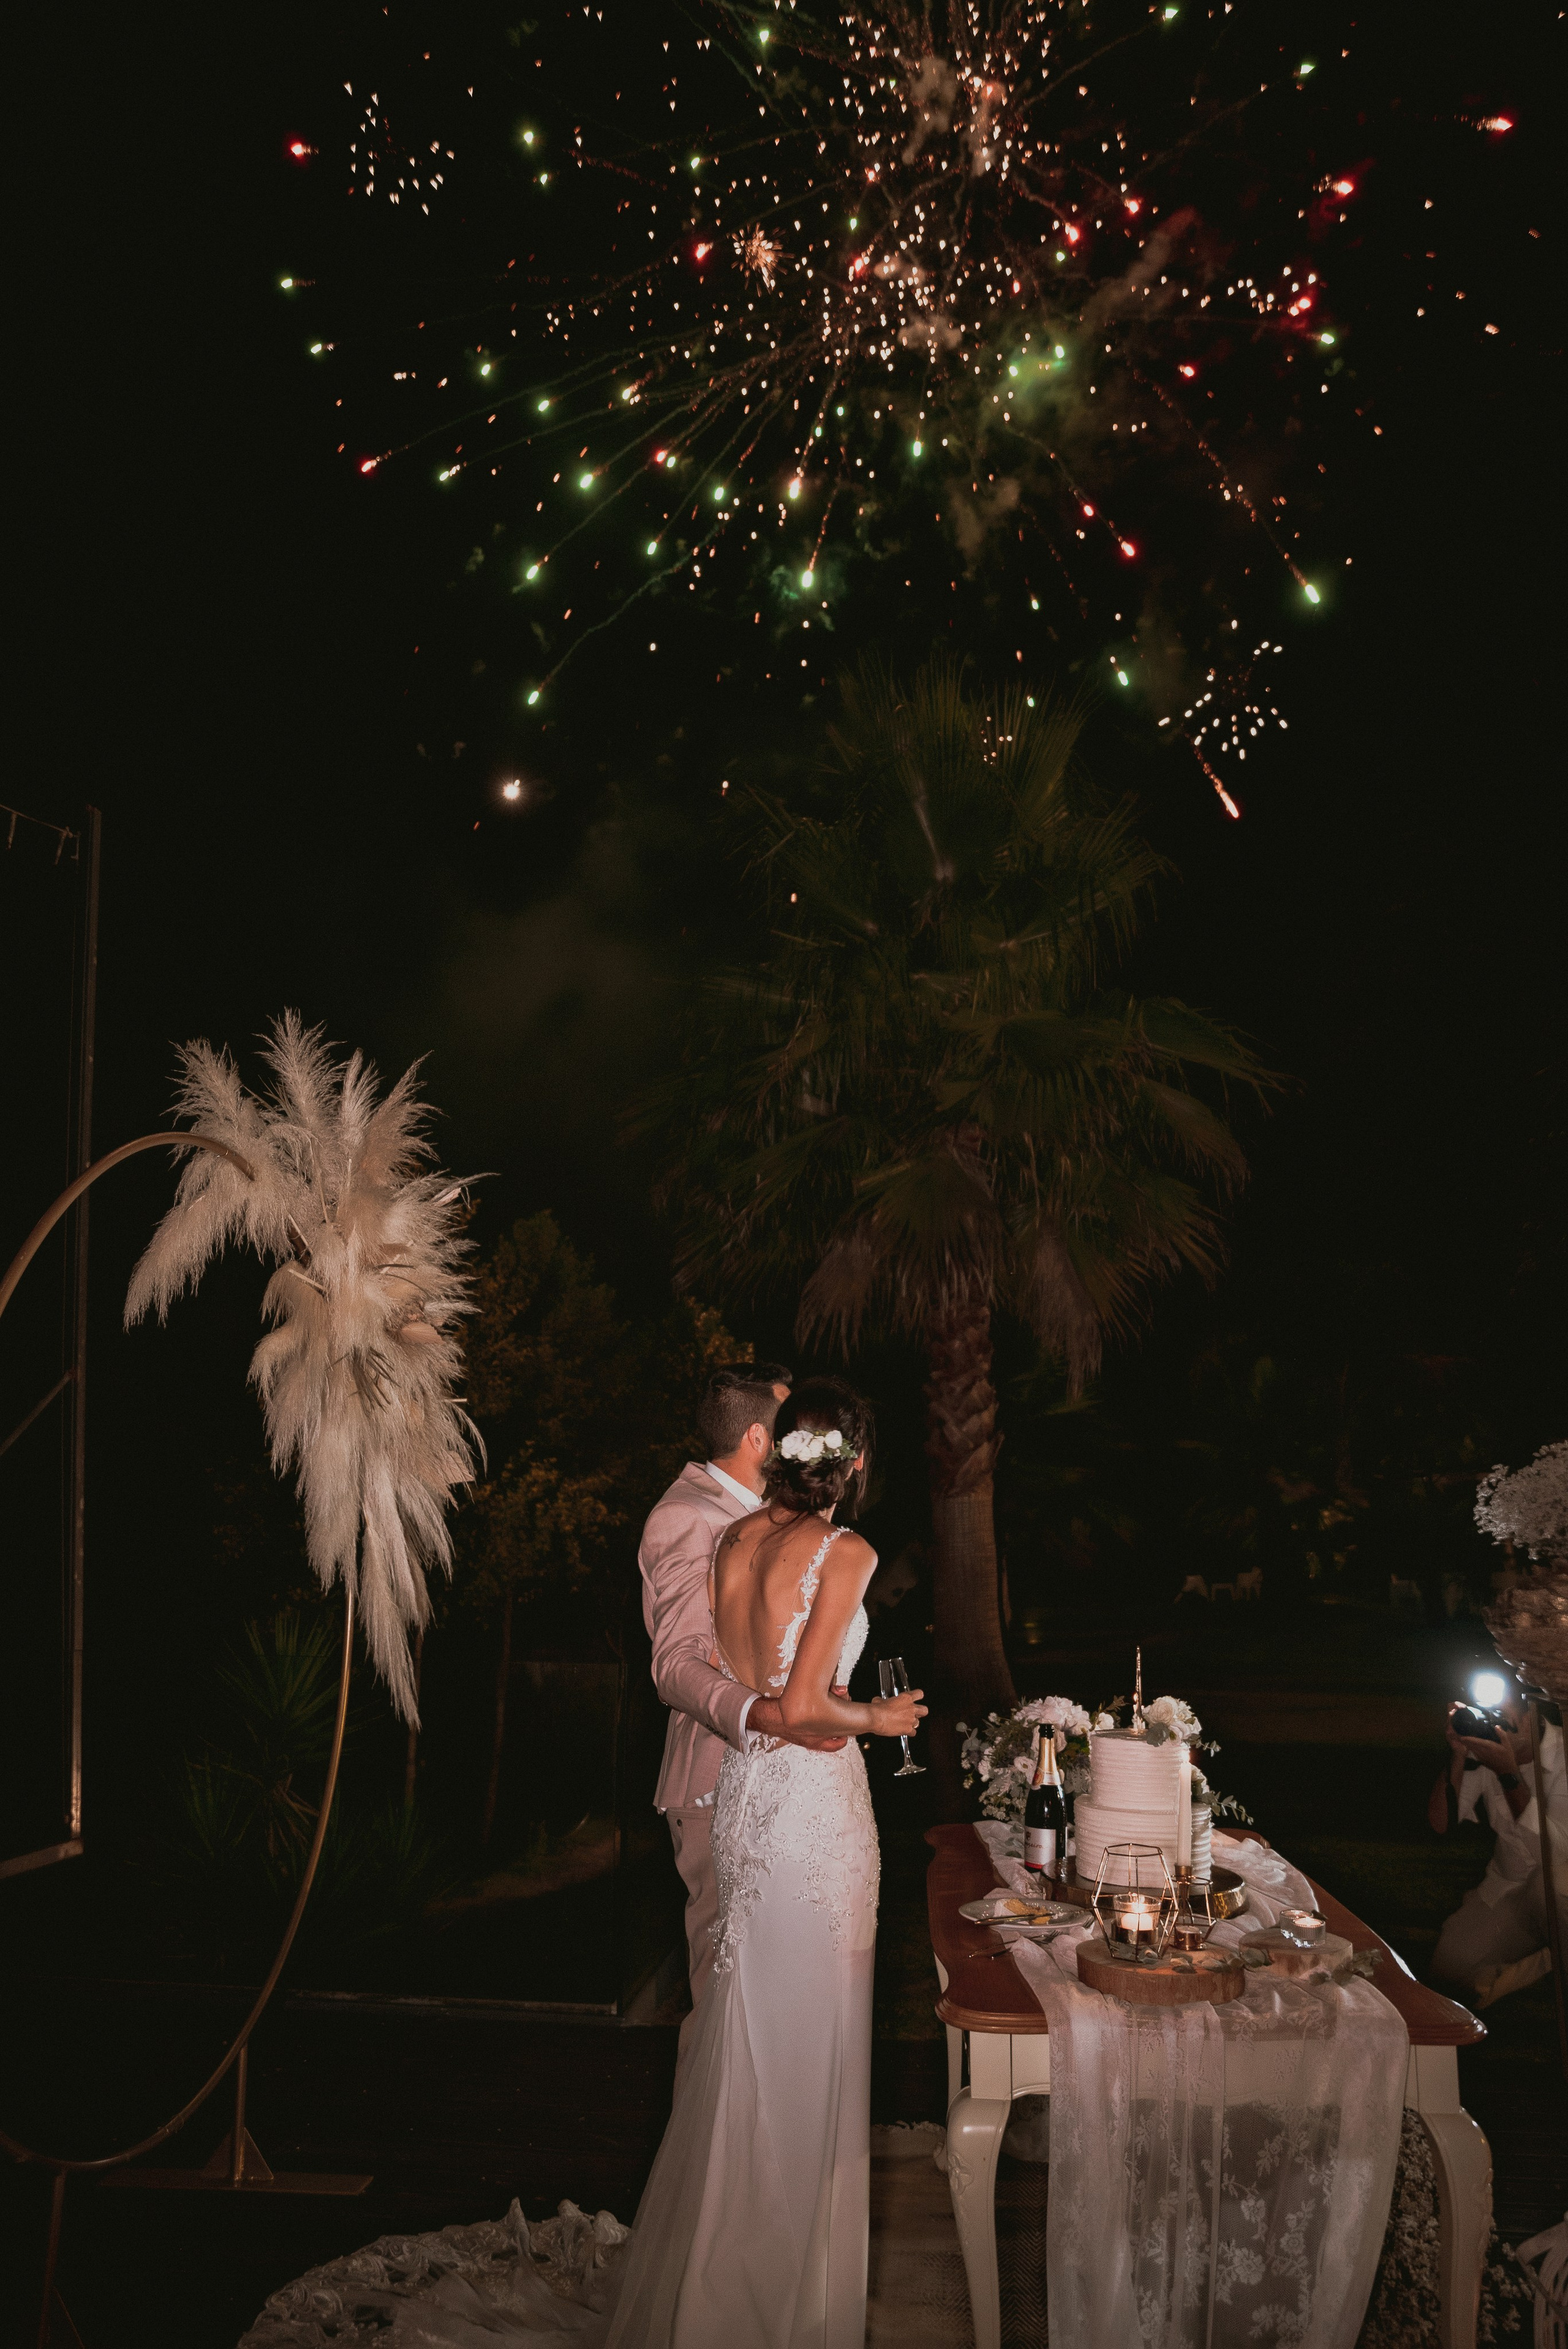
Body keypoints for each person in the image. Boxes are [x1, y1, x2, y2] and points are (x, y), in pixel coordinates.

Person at [606, 1375, 924, 2348]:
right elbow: (697, 1670)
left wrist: (778, 1710)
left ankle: (725, 2272)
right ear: (852, 1461)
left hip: (753, 1802)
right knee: (787, 2030)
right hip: (782, 1793)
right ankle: (767, 2294)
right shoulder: (763, 1532)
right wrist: (876, 1715)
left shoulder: (739, 1532)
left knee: (743, 2031)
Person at [639, 1362, 838, 2062]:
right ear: (759, 1436)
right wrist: (762, 1712)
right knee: (726, 1998)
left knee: (782, 1993)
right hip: (715, 1782)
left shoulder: (766, 1516)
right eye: (788, 1428)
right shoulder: (685, 1516)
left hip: (785, 1785)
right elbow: (675, 1664)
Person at [1428, 1680, 1567, 2007]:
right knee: (1447, 1975)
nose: (1496, 1727)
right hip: (1508, 1887)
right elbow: (1440, 1824)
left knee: (1551, 1884)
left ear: (1533, 1710)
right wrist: (1460, 1756)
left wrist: (1508, 1774)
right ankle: (1547, 1961)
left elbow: (1555, 1856)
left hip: (1560, 1889)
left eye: (1505, 1719)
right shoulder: (1487, 1750)